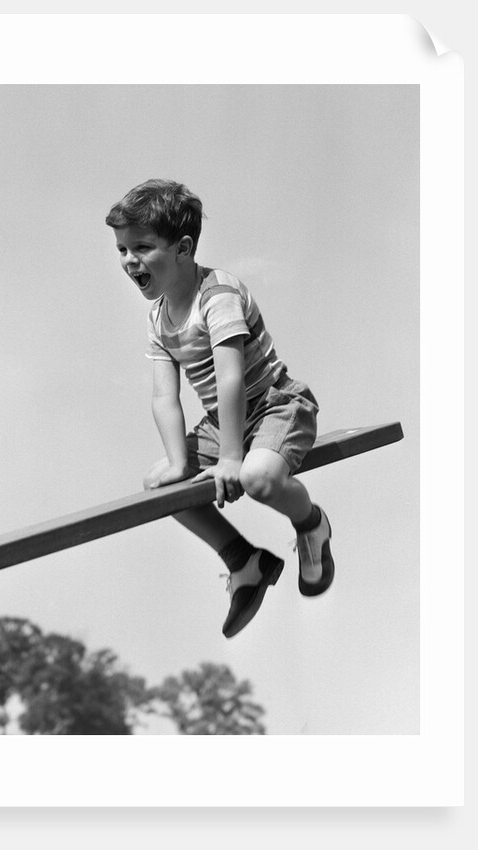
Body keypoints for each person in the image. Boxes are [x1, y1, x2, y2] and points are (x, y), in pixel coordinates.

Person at [105, 179, 335, 637]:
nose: (130, 261)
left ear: (183, 248)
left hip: (274, 404)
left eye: (143, 248)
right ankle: (243, 560)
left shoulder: (218, 294)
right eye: (123, 250)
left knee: (257, 479)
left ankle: (312, 524)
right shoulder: (158, 317)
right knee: (158, 486)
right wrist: (177, 463)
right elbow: (164, 397)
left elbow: (231, 378)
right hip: (223, 423)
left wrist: (230, 459)